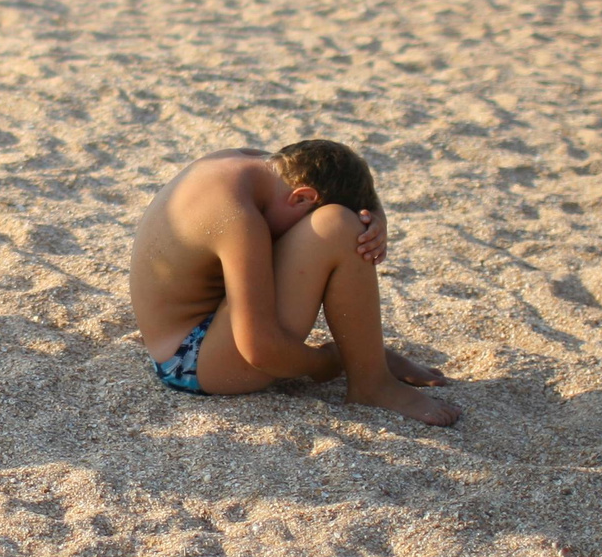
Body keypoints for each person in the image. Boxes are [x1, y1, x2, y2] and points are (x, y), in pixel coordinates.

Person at [129, 142, 458, 424]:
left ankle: (366, 361)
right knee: (338, 227)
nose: (296, 234)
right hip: (190, 362)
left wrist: (376, 217)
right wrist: (328, 361)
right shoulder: (238, 219)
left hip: (182, 335)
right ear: (302, 198)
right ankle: (371, 383)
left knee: (346, 222)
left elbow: (337, 163)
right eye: (305, 217)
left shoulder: (254, 164)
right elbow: (259, 349)